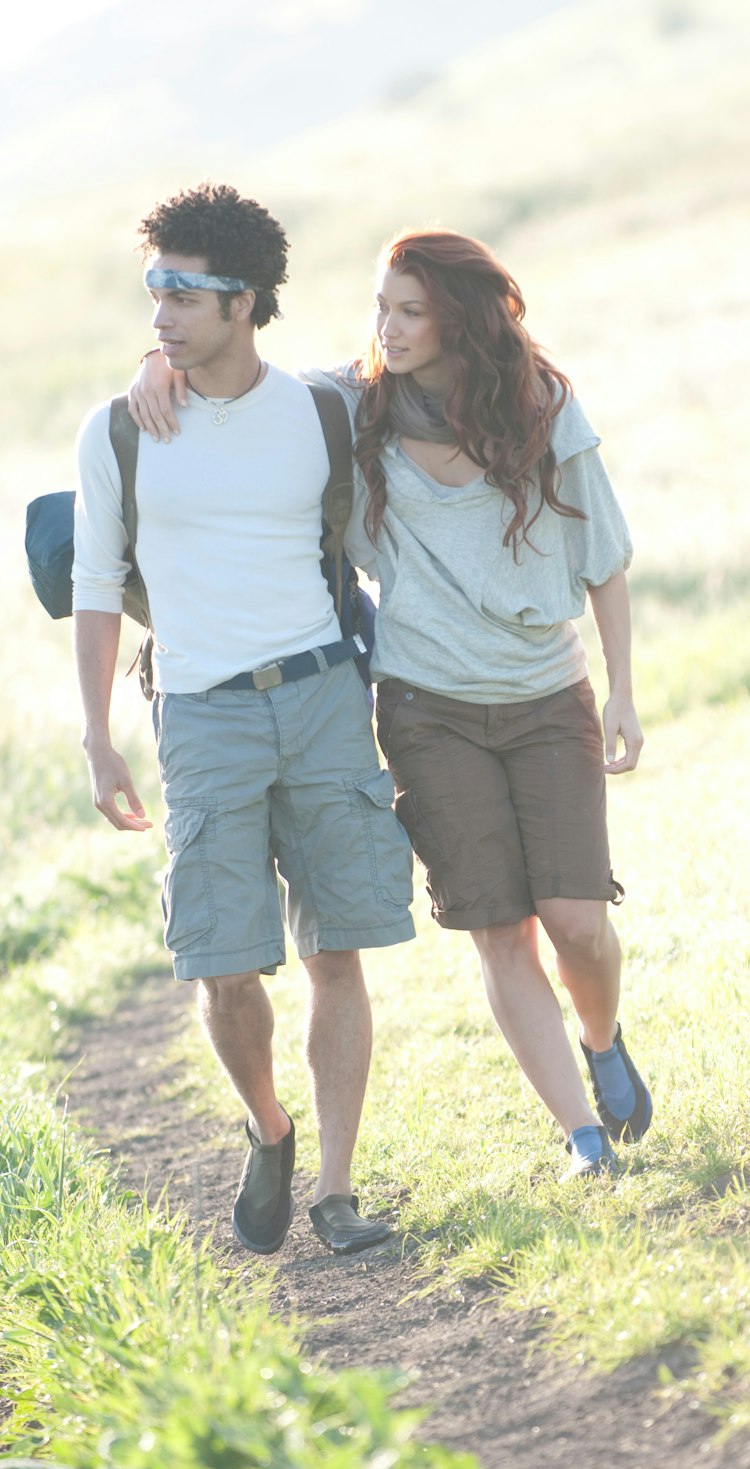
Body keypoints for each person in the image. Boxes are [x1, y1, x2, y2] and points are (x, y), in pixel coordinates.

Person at [131, 228, 651, 1179]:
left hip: (546, 696)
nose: (390, 326)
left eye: (412, 310)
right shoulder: (355, 403)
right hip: (425, 706)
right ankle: (583, 1139)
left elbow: (605, 557)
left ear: (462, 317)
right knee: (501, 928)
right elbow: (238, 376)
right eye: (382, 306)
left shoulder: (543, 403)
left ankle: (604, 1037)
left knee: (576, 919)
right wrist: (150, 365)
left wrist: (622, 688)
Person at [74, 184, 415, 1257]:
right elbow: (93, 585)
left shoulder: (320, 411)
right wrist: (95, 736)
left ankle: (338, 1191)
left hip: (320, 697)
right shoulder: (121, 429)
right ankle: (269, 1127)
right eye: (155, 289)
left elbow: (381, 537)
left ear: (246, 303)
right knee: (222, 963)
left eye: (187, 292)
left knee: (337, 950)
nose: (163, 312)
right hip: (199, 713)